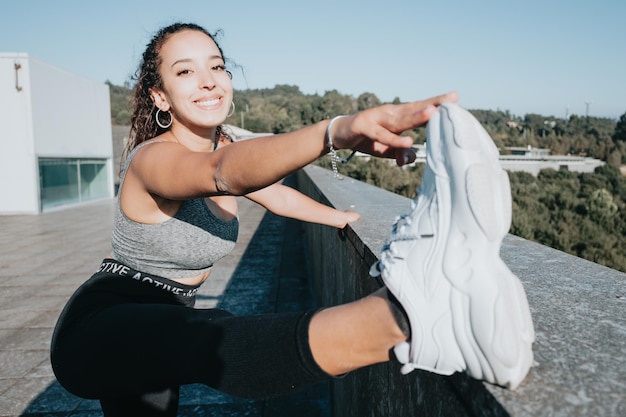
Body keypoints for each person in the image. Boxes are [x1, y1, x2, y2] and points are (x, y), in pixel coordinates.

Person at [50, 22, 534, 417]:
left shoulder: (224, 147)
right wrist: (336, 131)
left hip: (165, 320)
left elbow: (276, 195)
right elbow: (223, 175)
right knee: (213, 340)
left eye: (216, 66)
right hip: (103, 322)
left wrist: (341, 216)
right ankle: (415, 319)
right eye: (185, 72)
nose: (208, 80)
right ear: (160, 97)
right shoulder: (152, 160)